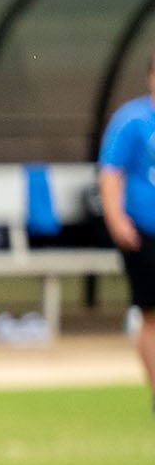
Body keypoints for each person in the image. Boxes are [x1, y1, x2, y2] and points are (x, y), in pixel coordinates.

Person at [99, 44, 155, 414]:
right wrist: (116, 218)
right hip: (145, 232)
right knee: (151, 314)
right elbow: (110, 172)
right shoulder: (133, 120)